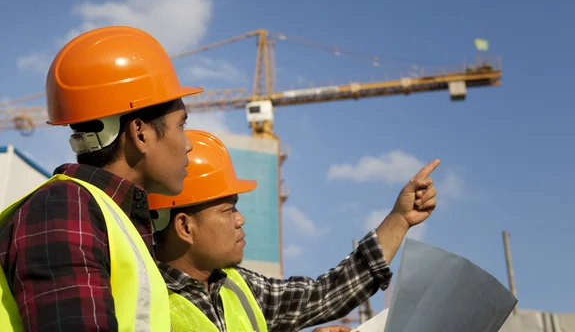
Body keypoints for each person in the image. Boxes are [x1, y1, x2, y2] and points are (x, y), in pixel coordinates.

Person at [0, 25, 204, 331]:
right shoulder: (64, 208)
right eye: (181, 125)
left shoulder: (111, 218)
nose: (188, 143)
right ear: (140, 133)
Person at [149, 130, 439, 332]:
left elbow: (324, 295)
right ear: (185, 227)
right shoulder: (145, 300)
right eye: (228, 211)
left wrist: (400, 219)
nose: (241, 220)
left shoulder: (239, 287)